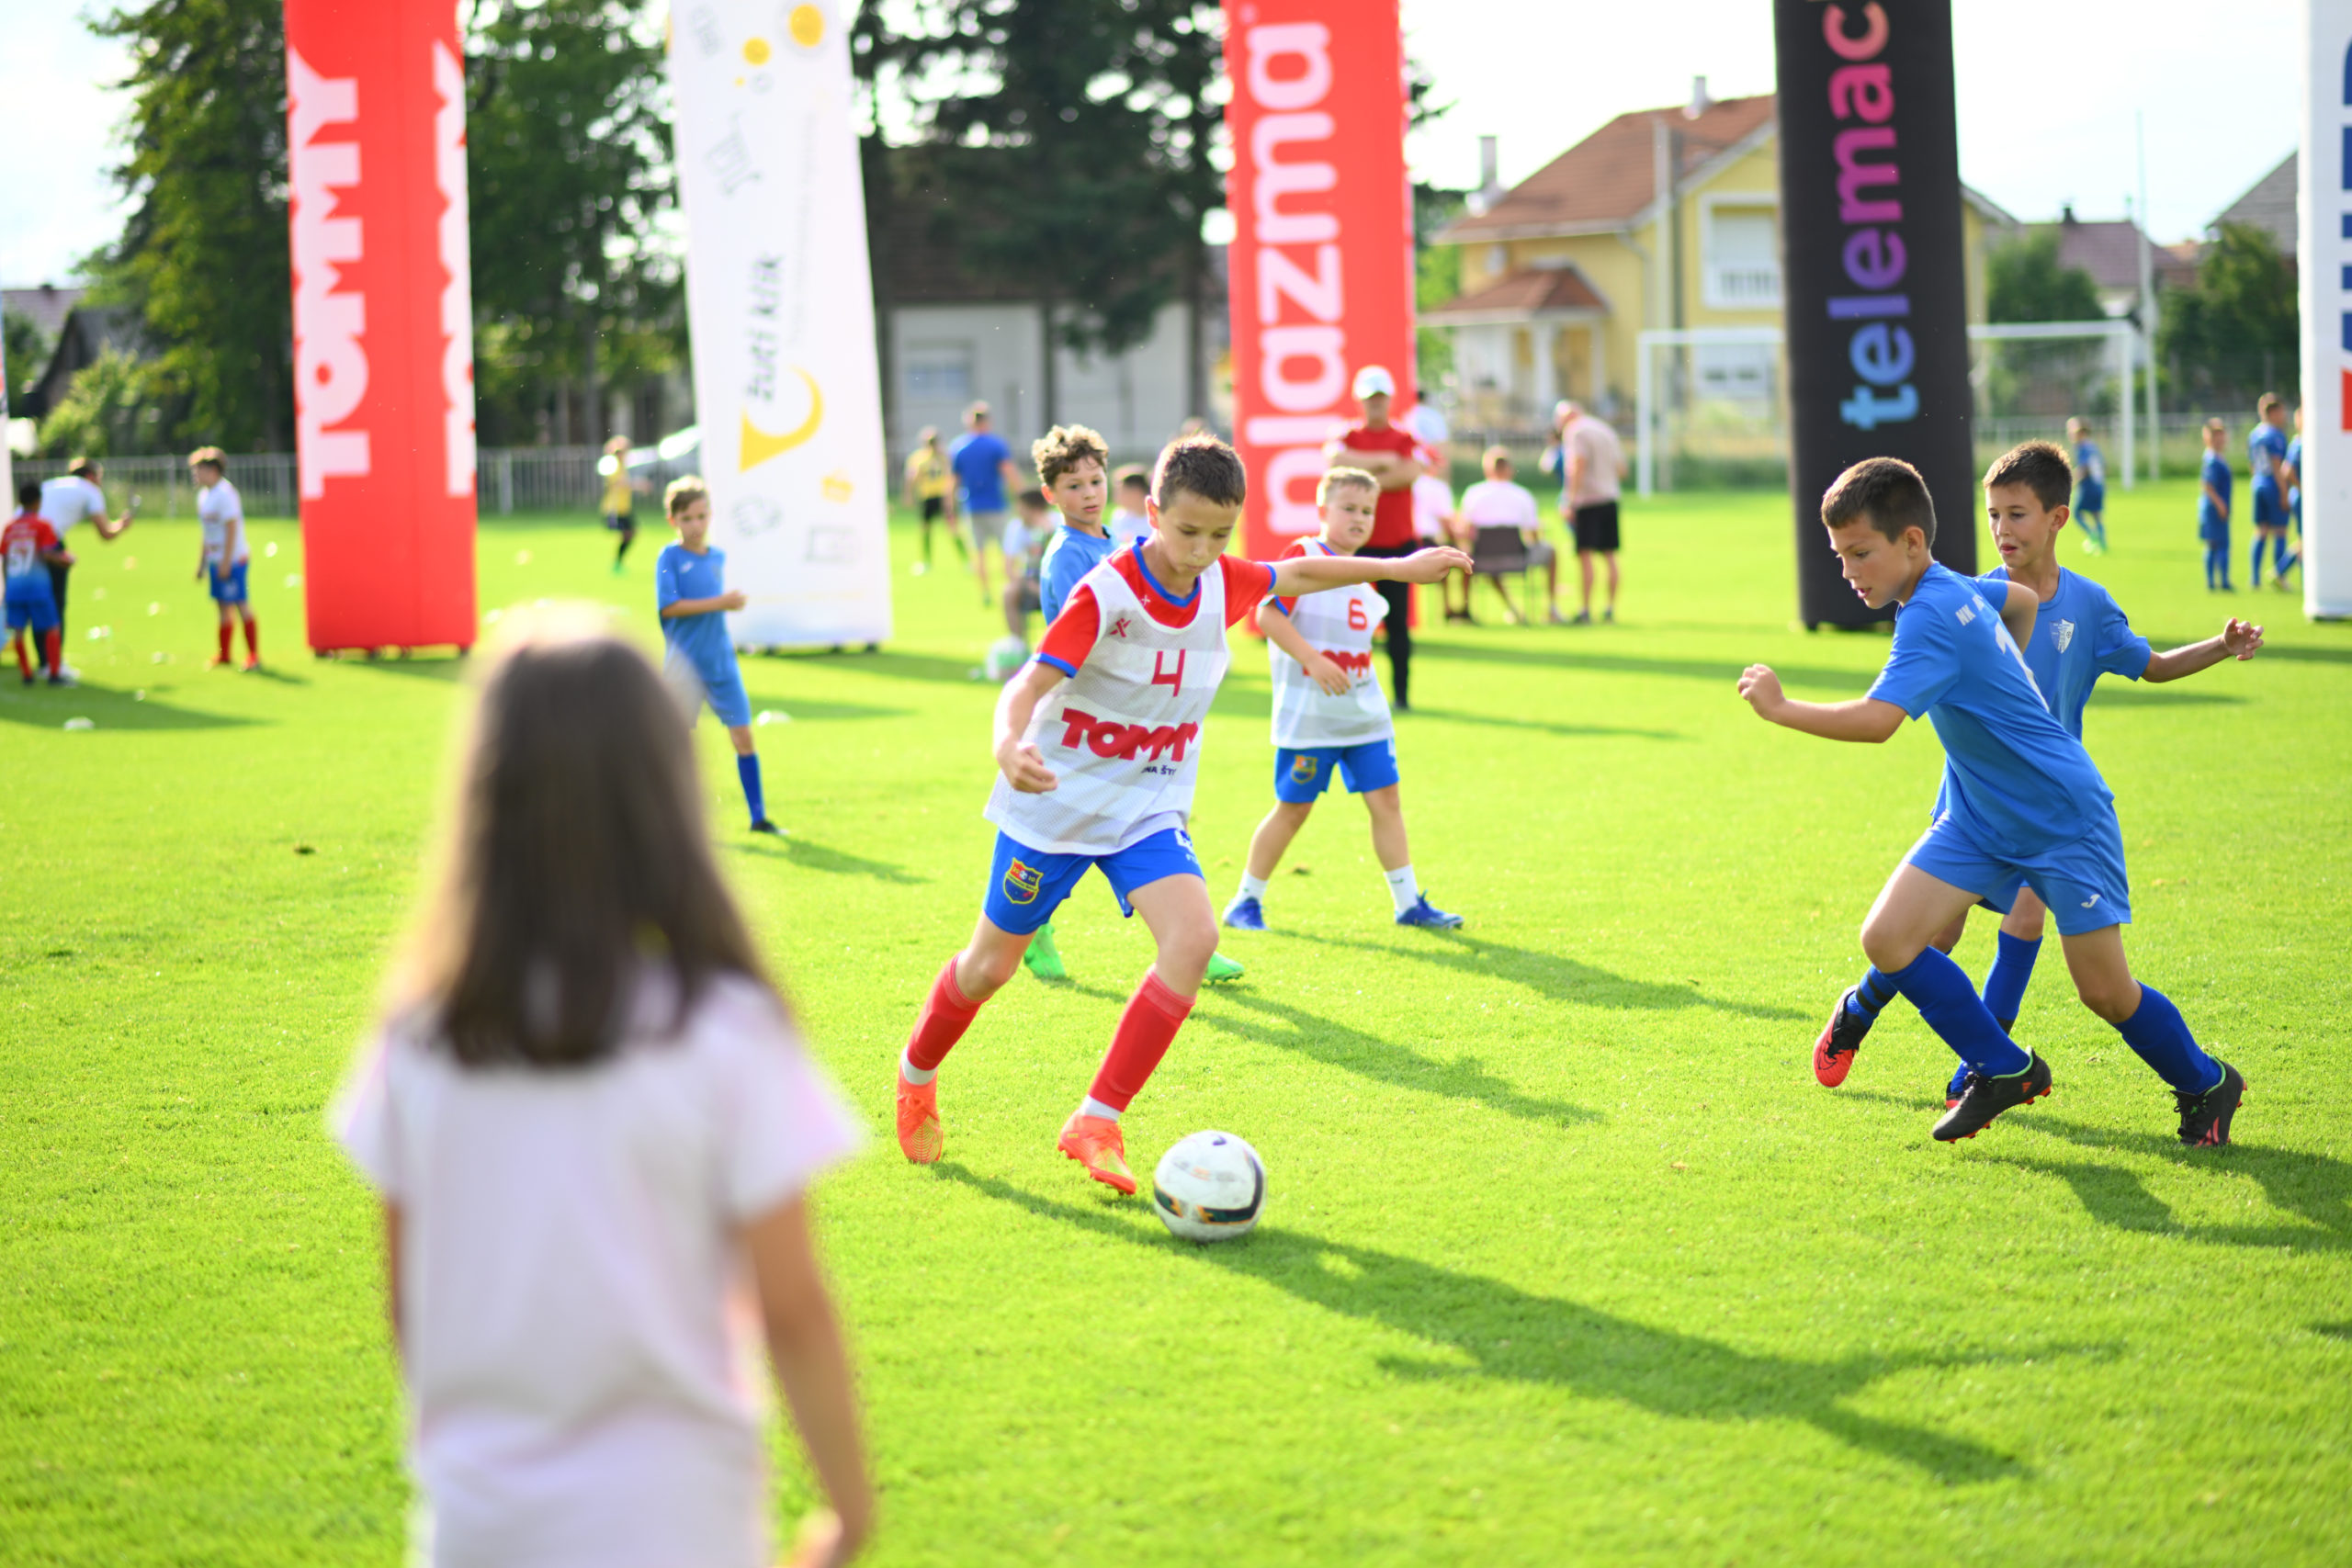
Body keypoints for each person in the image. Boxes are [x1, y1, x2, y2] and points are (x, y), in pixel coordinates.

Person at [332, 610, 872, 1568]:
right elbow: (791, 1303)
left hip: (477, 1519)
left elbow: (408, 1302)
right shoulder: (720, 1027)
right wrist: (848, 1510)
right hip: (677, 1515)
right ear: (661, 789)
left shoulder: (420, 1033)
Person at [890, 434, 1468, 1189]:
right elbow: (1029, 683)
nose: (1202, 551)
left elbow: (1295, 569)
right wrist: (1006, 741)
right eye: (1187, 531)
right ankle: (915, 1072)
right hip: (1056, 802)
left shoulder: (1226, 581)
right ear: (1153, 512)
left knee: (1194, 937)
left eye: (1220, 536)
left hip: (1146, 807)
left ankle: (1096, 1119)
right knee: (988, 967)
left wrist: (1397, 566)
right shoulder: (1107, 590)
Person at [1738, 457, 2245, 1146]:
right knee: (1889, 939)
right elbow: (2024, 602)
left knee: (2105, 992)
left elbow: (1880, 721)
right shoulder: (1954, 587)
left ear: (1912, 543)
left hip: (2063, 817)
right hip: (1981, 817)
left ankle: (2208, 1082)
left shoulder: (1929, 616)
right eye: (1840, 556)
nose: (1850, 571)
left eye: (1861, 553)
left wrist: (1781, 707)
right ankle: (2004, 1067)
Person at [1028, 423, 1244, 987]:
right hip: (1083, 719)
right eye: (1073, 486)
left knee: (1157, 814)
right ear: (1051, 495)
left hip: (1138, 717)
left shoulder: (1115, 544)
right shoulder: (1068, 558)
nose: (1089, 493)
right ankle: (1033, 927)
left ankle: (1187, 938)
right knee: (1058, 835)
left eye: (1095, 480)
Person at [1221, 468, 1462, 933]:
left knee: (1387, 802)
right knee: (1293, 809)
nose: (1358, 518)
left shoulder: (1364, 578)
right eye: (1348, 508)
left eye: (1367, 511)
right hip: (1310, 722)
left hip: (1365, 719)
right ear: (1321, 511)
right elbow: (1268, 616)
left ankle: (1408, 902)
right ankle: (1245, 901)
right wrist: (1311, 659)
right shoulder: (1305, 556)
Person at [654, 476, 785, 836]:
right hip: (684, 669)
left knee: (743, 737)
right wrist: (721, 603)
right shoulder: (668, 558)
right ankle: (674, 822)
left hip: (721, 664)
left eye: (701, 516)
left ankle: (758, 818)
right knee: (678, 747)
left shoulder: (718, 558)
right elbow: (669, 608)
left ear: (710, 515)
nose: (695, 525)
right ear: (673, 521)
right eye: (687, 519)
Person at [1326, 367, 1423, 710]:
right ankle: (1347, 695)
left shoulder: (1405, 438)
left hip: (1398, 546)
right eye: (1370, 399)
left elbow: (1409, 472)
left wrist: (1361, 475)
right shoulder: (1348, 435)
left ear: (1389, 400)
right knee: (1350, 625)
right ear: (1361, 401)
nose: (1376, 405)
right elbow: (1334, 460)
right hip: (1355, 547)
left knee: (1397, 625)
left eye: (1380, 398)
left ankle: (1401, 697)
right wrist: (1383, 462)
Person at [38, 456, 132, 647]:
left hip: (21, 537)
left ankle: (40, 662)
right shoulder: (90, 490)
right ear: (90, 476)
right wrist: (123, 524)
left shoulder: (56, 484)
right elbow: (106, 533)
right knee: (55, 604)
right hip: (49, 542)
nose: (100, 483)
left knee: (33, 602)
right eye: (99, 477)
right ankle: (53, 666)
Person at [1455, 446, 1555, 624]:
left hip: (1482, 557)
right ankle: (1551, 607)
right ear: (1508, 469)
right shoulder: (1522, 494)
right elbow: (1533, 532)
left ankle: (1468, 609)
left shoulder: (1474, 493)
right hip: (1516, 557)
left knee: (1468, 556)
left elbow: (1465, 530)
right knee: (1551, 552)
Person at [189, 447, 260, 671]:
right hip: (215, 559)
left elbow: (231, 529)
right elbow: (207, 532)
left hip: (233, 559)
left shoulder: (225, 493)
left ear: (212, 470)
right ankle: (225, 655)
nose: (195, 474)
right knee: (222, 607)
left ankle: (253, 656)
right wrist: (202, 563)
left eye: (198, 469)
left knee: (241, 604)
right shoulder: (204, 495)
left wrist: (227, 561)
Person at [1558, 400, 1627, 623]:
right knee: (1610, 556)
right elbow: (1622, 469)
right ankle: (1609, 609)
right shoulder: (1605, 430)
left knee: (1585, 555)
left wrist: (1571, 500)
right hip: (1610, 497)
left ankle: (1585, 610)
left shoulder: (1575, 431)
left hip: (1588, 501)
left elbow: (1578, 463)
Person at [949, 401, 1022, 608]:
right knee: (1007, 550)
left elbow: (952, 482)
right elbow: (1009, 473)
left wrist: (949, 509)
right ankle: (1013, 587)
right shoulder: (996, 445)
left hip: (971, 507)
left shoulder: (959, 447)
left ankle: (986, 593)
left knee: (978, 553)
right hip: (996, 505)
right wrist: (1021, 496)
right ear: (987, 421)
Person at [5, 480, 68, 685]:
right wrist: (66, 560)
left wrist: (6, 586)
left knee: (18, 630)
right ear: (38, 502)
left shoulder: (9, 528)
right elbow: (48, 554)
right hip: (37, 587)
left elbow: (5, 560)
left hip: (14, 587)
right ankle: (54, 674)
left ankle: (26, 674)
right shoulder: (43, 525)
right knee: (52, 627)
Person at [900, 426, 959, 578]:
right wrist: (908, 495)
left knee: (953, 529)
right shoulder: (918, 458)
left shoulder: (945, 457)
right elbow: (912, 478)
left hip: (943, 496)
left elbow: (952, 476)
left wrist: (952, 495)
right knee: (925, 531)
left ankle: (966, 560)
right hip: (927, 497)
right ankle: (926, 561)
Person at [2247, 393, 2291, 590]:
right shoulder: (2275, 435)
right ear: (2273, 412)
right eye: (2281, 412)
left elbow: (2251, 464)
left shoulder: (2254, 434)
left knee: (2261, 530)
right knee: (2280, 531)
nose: (2284, 416)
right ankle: (2278, 575)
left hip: (2257, 482)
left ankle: (2255, 578)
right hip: (2273, 484)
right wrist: (2284, 493)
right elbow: (2277, 466)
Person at [1001, 487, 1049, 641]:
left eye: (1021, 507)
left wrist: (1048, 530)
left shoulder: (1056, 523)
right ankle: (1019, 645)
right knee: (1009, 593)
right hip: (1028, 580)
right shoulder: (1016, 527)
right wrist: (1028, 584)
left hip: (1052, 580)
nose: (1018, 511)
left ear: (1034, 509)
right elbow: (1009, 567)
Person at [598, 435, 646, 573]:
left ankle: (618, 564)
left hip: (623, 508)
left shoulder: (620, 466)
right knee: (629, 533)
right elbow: (619, 483)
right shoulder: (613, 465)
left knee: (630, 533)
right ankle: (617, 564)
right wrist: (639, 485)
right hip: (615, 509)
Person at [2199, 418, 2233, 592]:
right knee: (2215, 544)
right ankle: (2216, 582)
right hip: (2213, 509)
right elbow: (2208, 485)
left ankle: (2220, 581)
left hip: (2215, 507)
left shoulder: (2217, 457)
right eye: (2217, 435)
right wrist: (2220, 505)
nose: (2221, 439)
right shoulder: (2212, 459)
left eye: (2222, 435)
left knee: (2218, 544)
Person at [2064, 416, 2108, 555]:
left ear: (2081, 432)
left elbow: (2084, 468)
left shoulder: (2083, 447)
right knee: (2096, 515)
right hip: (2099, 486)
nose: (2070, 435)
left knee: (2076, 513)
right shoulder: (2093, 446)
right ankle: (2102, 544)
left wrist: (2071, 482)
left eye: (2072, 432)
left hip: (2088, 486)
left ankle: (2092, 535)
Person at [2279, 403, 2304, 588]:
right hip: (2300, 497)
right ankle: (2280, 571)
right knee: (2306, 540)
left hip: (2300, 496)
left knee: (2305, 540)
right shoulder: (2299, 443)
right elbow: (2287, 470)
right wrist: (2303, 488)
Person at [1105, 465, 1153, 549]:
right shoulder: (1119, 516)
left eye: (1121, 492)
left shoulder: (1156, 518)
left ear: (1136, 492)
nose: (1116, 497)